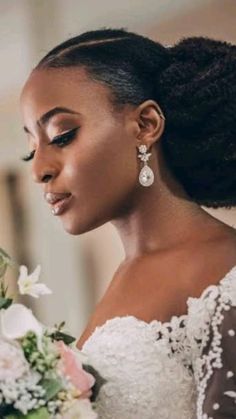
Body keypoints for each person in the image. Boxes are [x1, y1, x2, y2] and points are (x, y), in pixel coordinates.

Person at [19, 28, 236, 418]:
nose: (39, 170)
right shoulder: (126, 275)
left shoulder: (227, 273)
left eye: (62, 135)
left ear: (146, 124)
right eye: (31, 149)